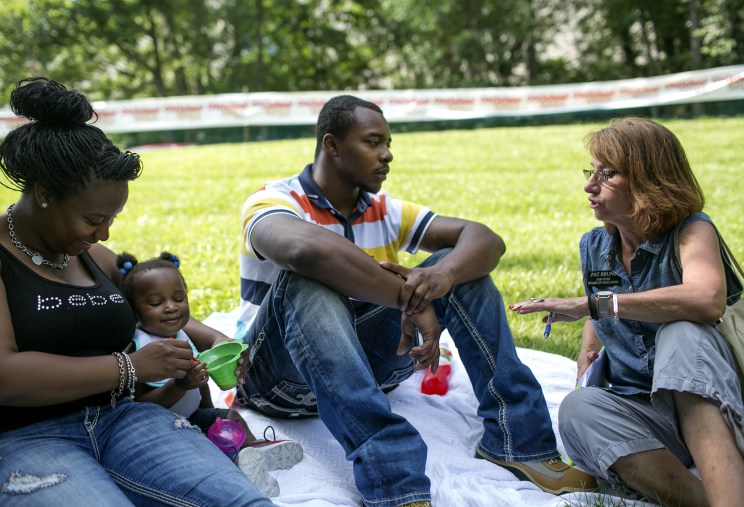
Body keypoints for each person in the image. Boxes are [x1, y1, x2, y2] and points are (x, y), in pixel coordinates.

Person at [233, 95, 597, 507]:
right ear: (331, 144)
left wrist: (441, 277)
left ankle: (518, 442)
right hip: (279, 382)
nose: (387, 155)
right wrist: (410, 301)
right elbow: (304, 251)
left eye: (388, 143)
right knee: (305, 279)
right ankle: (394, 483)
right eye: (373, 142)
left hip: (371, 371)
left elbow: (485, 239)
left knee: (457, 270)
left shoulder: (385, 209)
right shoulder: (272, 200)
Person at [0, 77, 273, 506]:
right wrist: (130, 366)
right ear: (44, 194)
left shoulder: (96, 258)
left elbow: (150, 309)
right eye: (94, 218)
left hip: (128, 420)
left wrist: (215, 339)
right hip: (22, 437)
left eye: (112, 218)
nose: (104, 232)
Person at [509, 117, 744, 507]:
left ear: (649, 181)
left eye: (608, 174)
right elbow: (602, 300)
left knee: (680, 332)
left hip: (716, 401)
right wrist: (588, 350)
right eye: (591, 172)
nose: (589, 185)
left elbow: (706, 299)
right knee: (578, 408)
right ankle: (708, 499)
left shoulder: (691, 231)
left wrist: (593, 306)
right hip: (649, 412)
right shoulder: (595, 246)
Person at [117, 250, 303, 497]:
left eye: (179, 298)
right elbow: (141, 405)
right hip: (164, 429)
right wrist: (180, 386)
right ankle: (243, 469)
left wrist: (209, 409)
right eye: (155, 303)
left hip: (194, 415)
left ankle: (253, 450)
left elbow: (200, 376)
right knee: (202, 451)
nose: (171, 307)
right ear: (134, 312)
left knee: (231, 418)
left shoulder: (182, 336)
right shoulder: (139, 350)